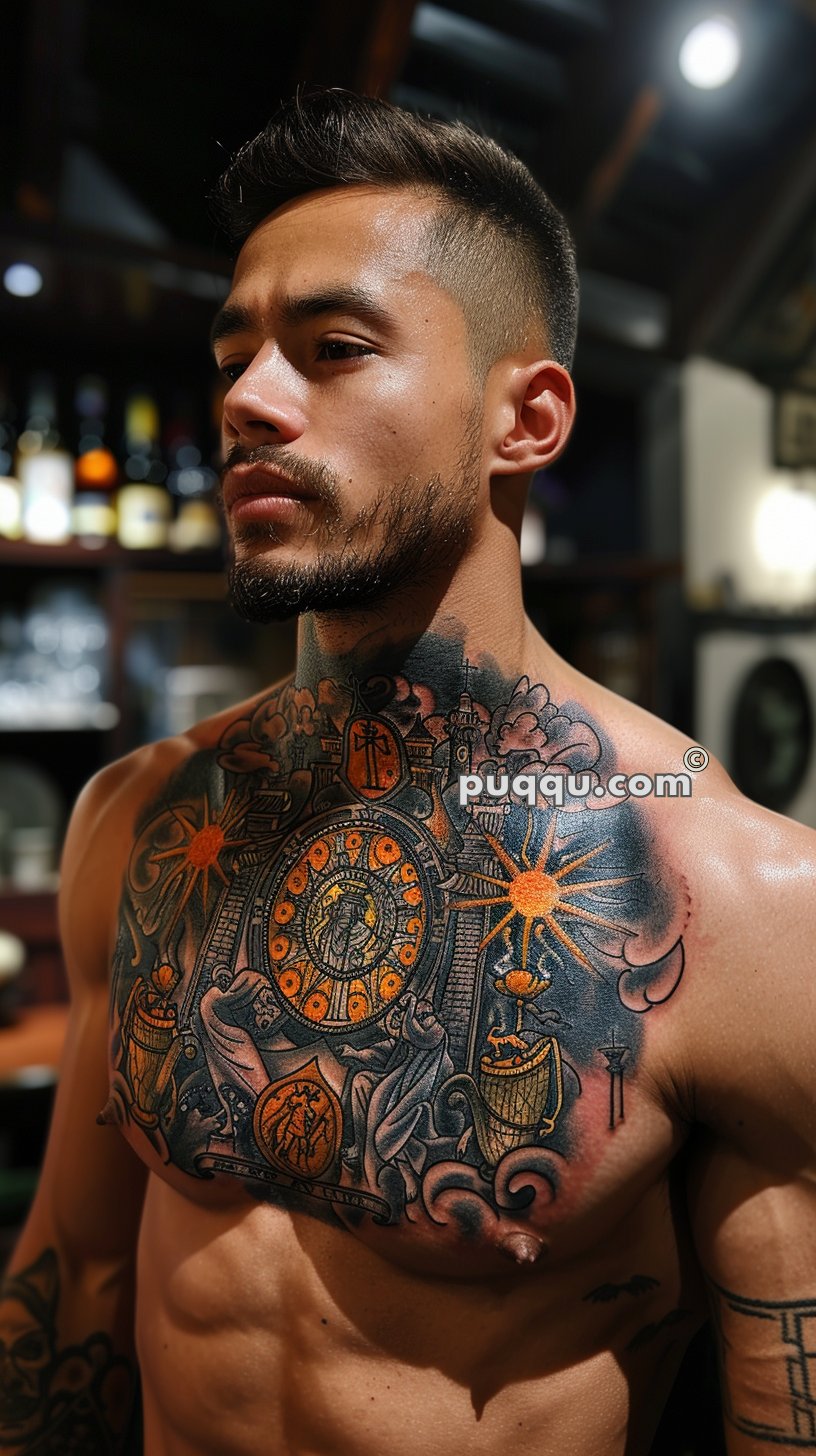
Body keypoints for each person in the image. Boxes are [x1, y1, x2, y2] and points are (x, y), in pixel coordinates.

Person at [2, 86, 815, 1456]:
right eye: (235, 354)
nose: (249, 402)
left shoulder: (744, 903)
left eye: (331, 348)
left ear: (528, 421)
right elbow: (73, 1286)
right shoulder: (135, 823)